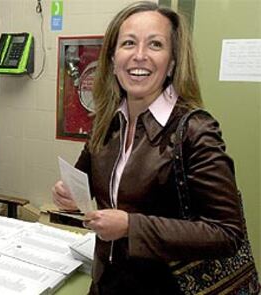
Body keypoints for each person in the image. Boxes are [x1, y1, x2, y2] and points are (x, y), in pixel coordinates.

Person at [51, 1, 244, 294]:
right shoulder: (106, 121)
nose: (139, 56)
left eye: (155, 44)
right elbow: (86, 182)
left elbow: (227, 233)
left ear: (173, 62)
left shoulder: (195, 130)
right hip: (105, 283)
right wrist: (67, 194)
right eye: (129, 43)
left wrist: (132, 226)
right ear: (113, 59)